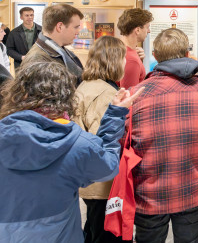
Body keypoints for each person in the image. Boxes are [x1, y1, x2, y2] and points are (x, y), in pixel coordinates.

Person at [0, 62, 141, 243]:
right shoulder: (77, 144)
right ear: (67, 97)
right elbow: (108, 166)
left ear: (21, 93)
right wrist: (114, 114)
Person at [128, 28, 198, 243]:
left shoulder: (135, 94)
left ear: (154, 56)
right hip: (193, 189)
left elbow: (124, 146)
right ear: (187, 53)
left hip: (148, 194)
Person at [72, 36, 129, 243]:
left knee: (93, 228)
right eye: (123, 58)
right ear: (114, 60)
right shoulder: (104, 93)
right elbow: (102, 142)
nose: (125, 62)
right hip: (102, 184)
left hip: (89, 180)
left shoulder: (88, 85)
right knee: (106, 234)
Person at [21, 4, 83, 83]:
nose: (78, 32)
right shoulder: (38, 61)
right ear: (59, 27)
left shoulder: (59, 51)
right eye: (76, 27)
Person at [117, 8, 153, 89]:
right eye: (147, 27)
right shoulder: (130, 59)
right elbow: (128, 97)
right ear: (137, 30)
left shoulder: (123, 51)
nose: (149, 31)